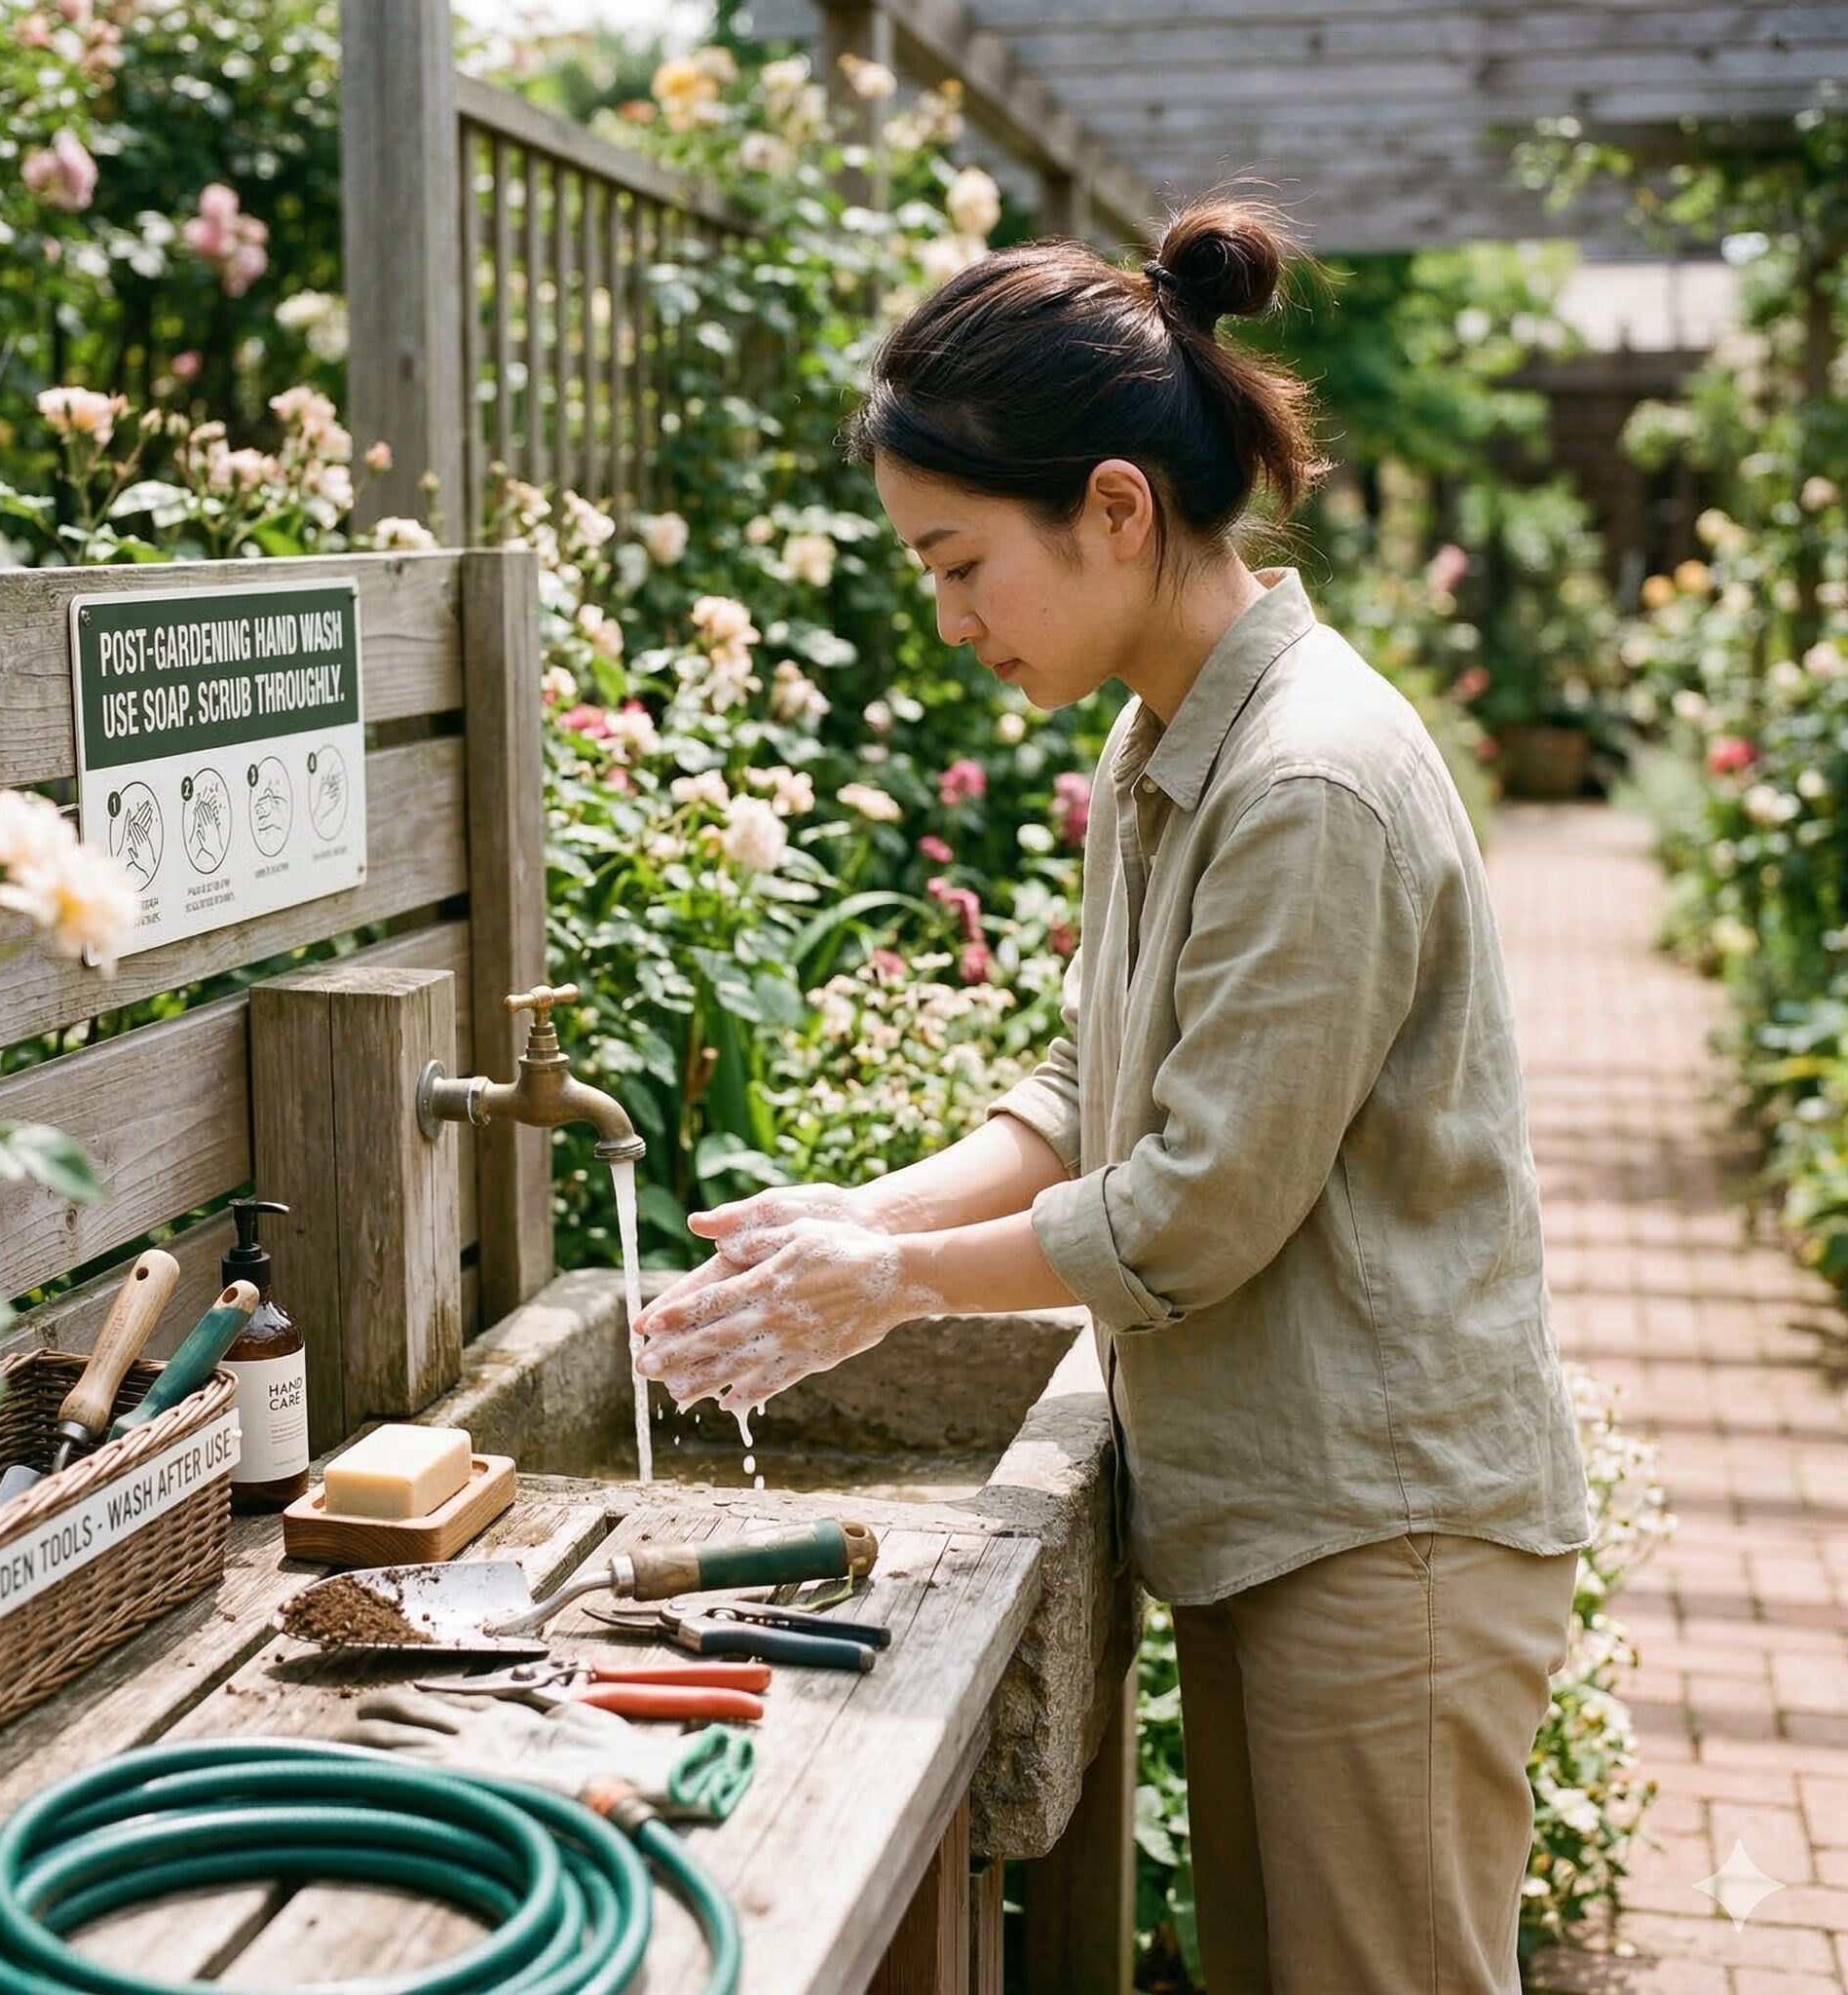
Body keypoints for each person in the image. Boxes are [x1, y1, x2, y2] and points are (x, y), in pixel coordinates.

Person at [630, 194, 1590, 1995]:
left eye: (957, 561)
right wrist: (869, 1219)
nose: (945, 617)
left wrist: (889, 1288)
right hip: (1289, 1515)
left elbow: (1195, 1209)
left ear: (1119, 510)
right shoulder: (1166, 734)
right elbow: (1097, 1085)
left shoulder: (1308, 778)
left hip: (1388, 1539)